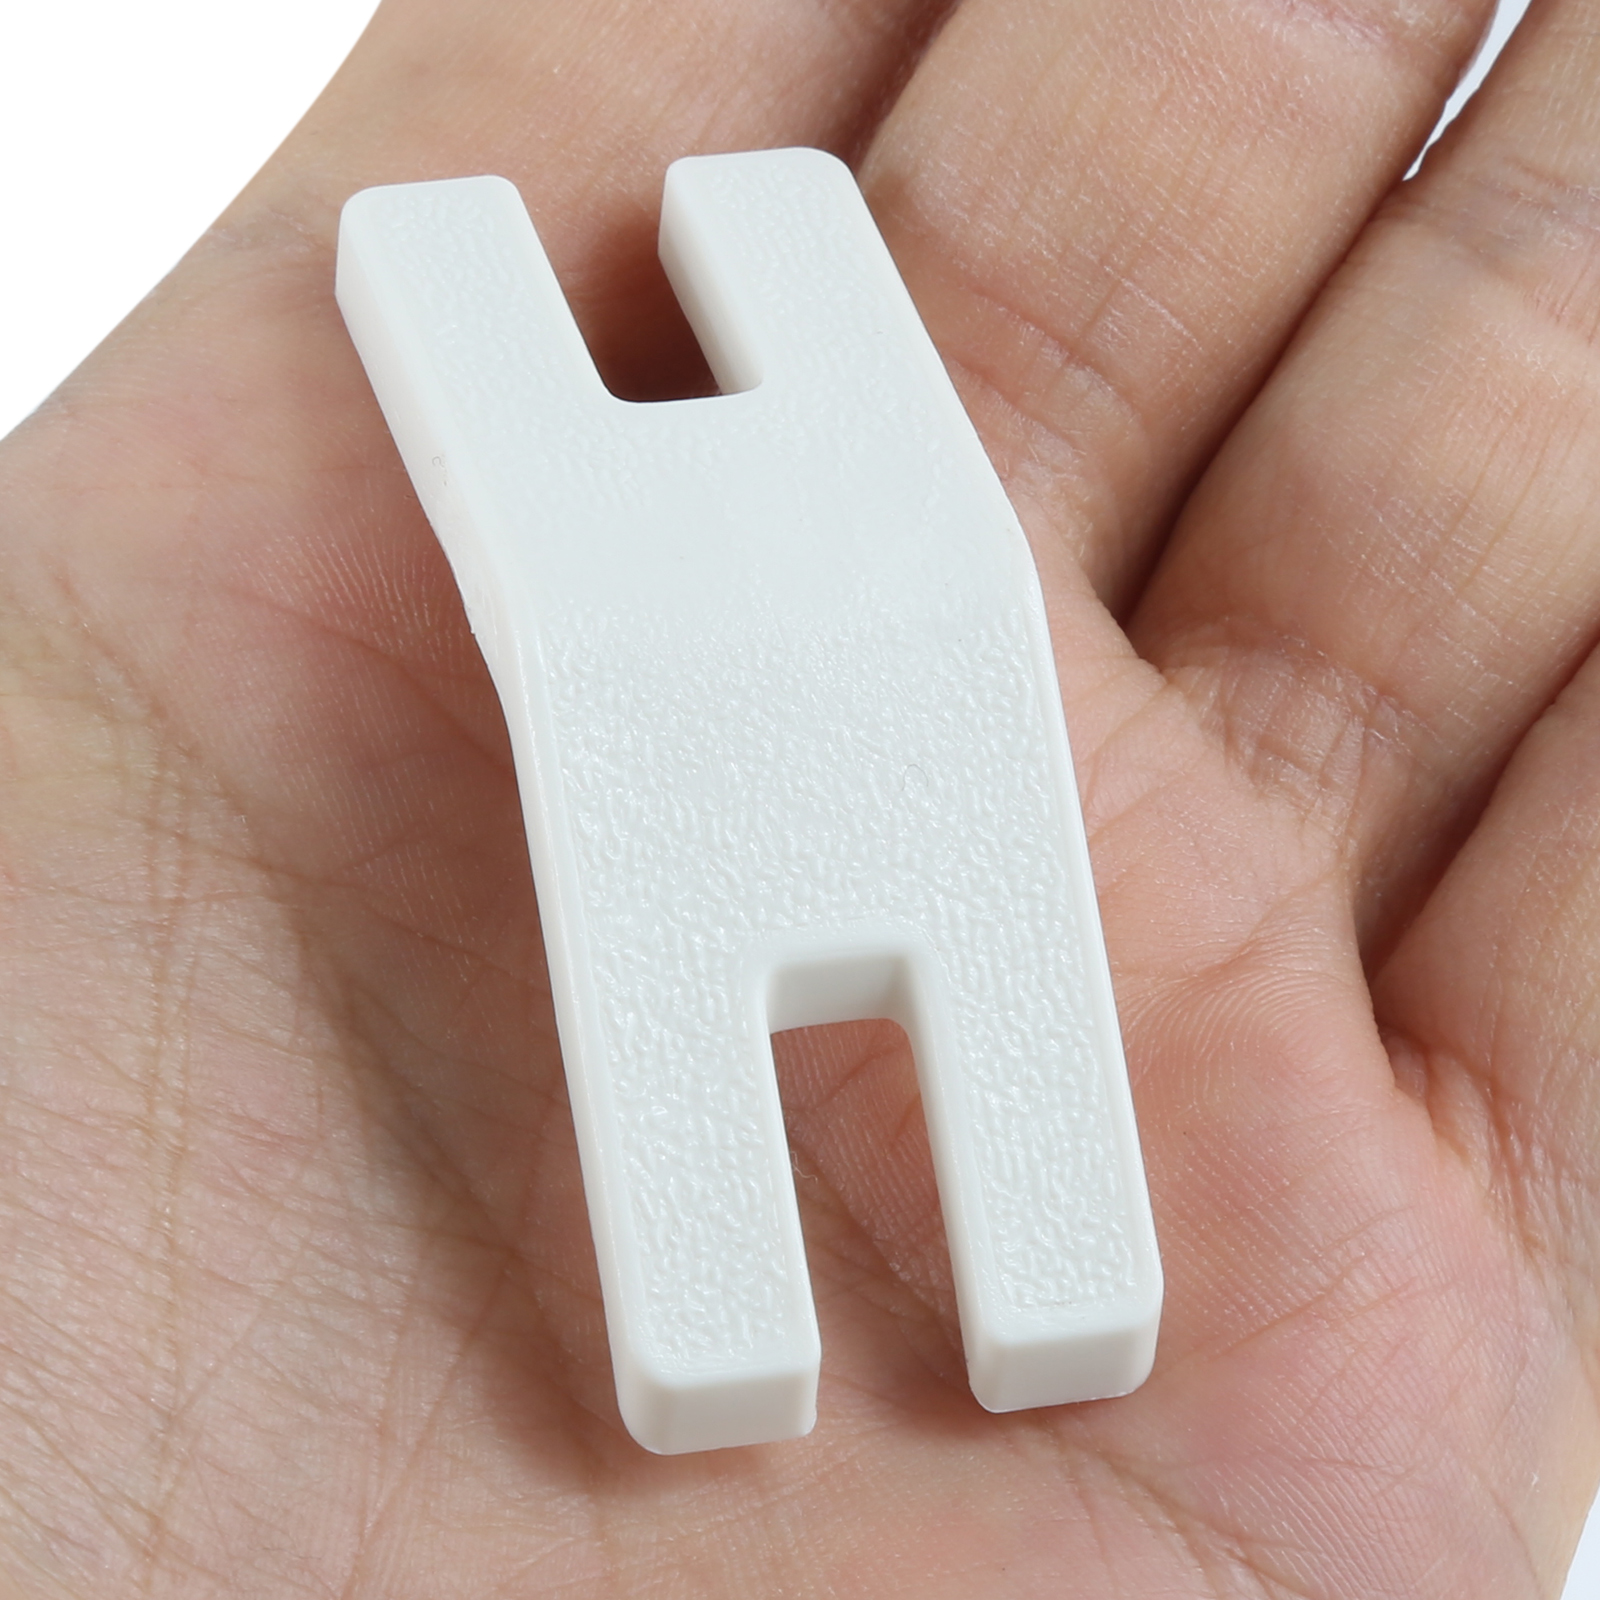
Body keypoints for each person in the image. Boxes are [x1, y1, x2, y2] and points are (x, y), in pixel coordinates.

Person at [1, 0, 1596, 1593]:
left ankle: (873, 1291)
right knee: (790, 1107)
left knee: (951, 1097)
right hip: (713, 695)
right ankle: (805, 1298)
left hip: (876, 681)